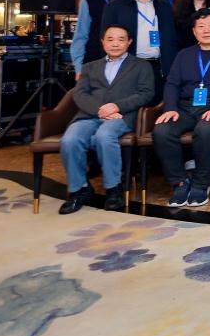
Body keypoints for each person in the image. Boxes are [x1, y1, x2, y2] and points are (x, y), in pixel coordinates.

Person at [57, 25, 154, 214]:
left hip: (122, 115)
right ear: (102, 42)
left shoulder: (141, 66)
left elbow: (146, 93)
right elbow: (79, 94)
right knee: (70, 140)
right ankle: (79, 190)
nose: (115, 44)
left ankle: (113, 189)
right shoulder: (89, 67)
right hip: (89, 115)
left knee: (104, 135)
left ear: (129, 42)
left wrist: (117, 106)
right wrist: (101, 110)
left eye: (121, 39)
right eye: (110, 39)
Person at [153, 9, 210, 207]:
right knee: (161, 131)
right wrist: (170, 108)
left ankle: (200, 184)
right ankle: (179, 182)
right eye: (201, 27)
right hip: (184, 108)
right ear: (194, 31)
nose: (206, 30)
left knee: (205, 129)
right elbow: (172, 84)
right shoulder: (184, 55)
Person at [102, 0, 178, 102]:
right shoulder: (115, 6)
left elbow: (172, 38)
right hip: (127, 67)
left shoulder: (164, 5)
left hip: (158, 67)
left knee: (155, 107)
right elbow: (106, 38)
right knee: (127, 106)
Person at [71, 0, 128, 75]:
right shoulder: (89, 0)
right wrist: (79, 68)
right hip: (95, 63)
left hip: (129, 66)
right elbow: (81, 36)